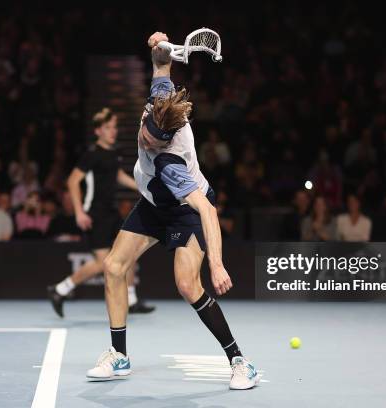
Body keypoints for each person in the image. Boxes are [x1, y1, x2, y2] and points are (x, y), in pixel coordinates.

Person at [85, 32, 259, 390]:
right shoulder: (159, 103)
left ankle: (240, 361)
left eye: (151, 140)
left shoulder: (171, 164)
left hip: (184, 211)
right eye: (145, 132)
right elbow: (161, 64)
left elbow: (208, 211)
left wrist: (217, 264)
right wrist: (159, 45)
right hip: (152, 204)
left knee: (186, 284)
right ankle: (119, 355)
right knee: (114, 267)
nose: (144, 140)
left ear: (166, 140)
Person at [47, 107, 154, 317]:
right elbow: (72, 181)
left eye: (114, 127)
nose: (112, 131)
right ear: (98, 131)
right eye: (107, 127)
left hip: (112, 213)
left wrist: (143, 188)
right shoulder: (91, 155)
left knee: (130, 252)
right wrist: (79, 212)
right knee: (102, 263)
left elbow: (118, 177)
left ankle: (131, 300)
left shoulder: (113, 153)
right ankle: (60, 289)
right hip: (95, 215)